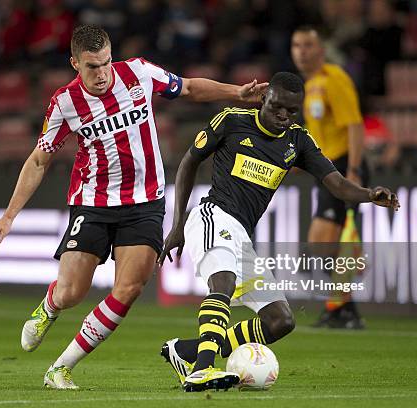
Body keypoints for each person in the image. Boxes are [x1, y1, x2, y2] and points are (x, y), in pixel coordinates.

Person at [0, 24, 268, 390]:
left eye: (105, 63)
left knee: (129, 289)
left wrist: (237, 93)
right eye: (91, 67)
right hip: (93, 203)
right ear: (74, 64)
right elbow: (39, 160)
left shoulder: (139, 73)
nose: (101, 74)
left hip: (145, 202)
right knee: (72, 293)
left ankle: (61, 368)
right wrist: (9, 215)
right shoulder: (64, 103)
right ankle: (50, 306)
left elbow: (189, 87)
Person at [158, 72, 399, 392]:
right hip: (213, 216)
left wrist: (369, 194)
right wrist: (176, 226)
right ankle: (202, 370)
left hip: (241, 235)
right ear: (263, 99)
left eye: (292, 111)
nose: (284, 116)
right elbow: (189, 163)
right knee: (223, 284)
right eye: (278, 107)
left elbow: (337, 184)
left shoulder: (298, 141)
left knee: (280, 321)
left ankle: (187, 352)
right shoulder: (231, 121)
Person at [291, 26, 369, 328]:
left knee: (321, 241)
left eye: (308, 45)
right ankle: (342, 306)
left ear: (321, 50)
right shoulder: (310, 86)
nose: (302, 51)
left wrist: (354, 170)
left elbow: (355, 125)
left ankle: (344, 305)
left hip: (343, 167)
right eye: (296, 45)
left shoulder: (335, 79)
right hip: (327, 168)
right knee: (327, 244)